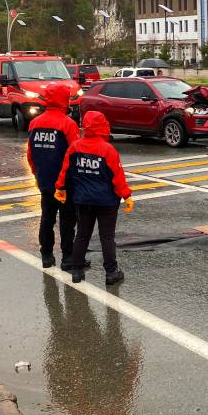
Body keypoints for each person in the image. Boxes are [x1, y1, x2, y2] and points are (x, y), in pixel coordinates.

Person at [55, 111, 133, 285]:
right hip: (106, 201)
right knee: (107, 237)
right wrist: (126, 195)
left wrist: (60, 188)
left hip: (82, 200)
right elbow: (117, 177)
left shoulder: (75, 147)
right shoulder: (107, 149)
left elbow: (65, 171)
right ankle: (111, 272)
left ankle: (77, 270)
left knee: (82, 234)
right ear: (103, 126)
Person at [27, 82, 81, 270]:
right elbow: (75, 154)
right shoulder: (68, 124)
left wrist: (36, 173)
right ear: (64, 100)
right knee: (67, 221)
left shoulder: (35, 123)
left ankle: (47, 255)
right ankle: (67, 258)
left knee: (47, 218)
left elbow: (30, 154)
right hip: (65, 183)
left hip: (45, 180)